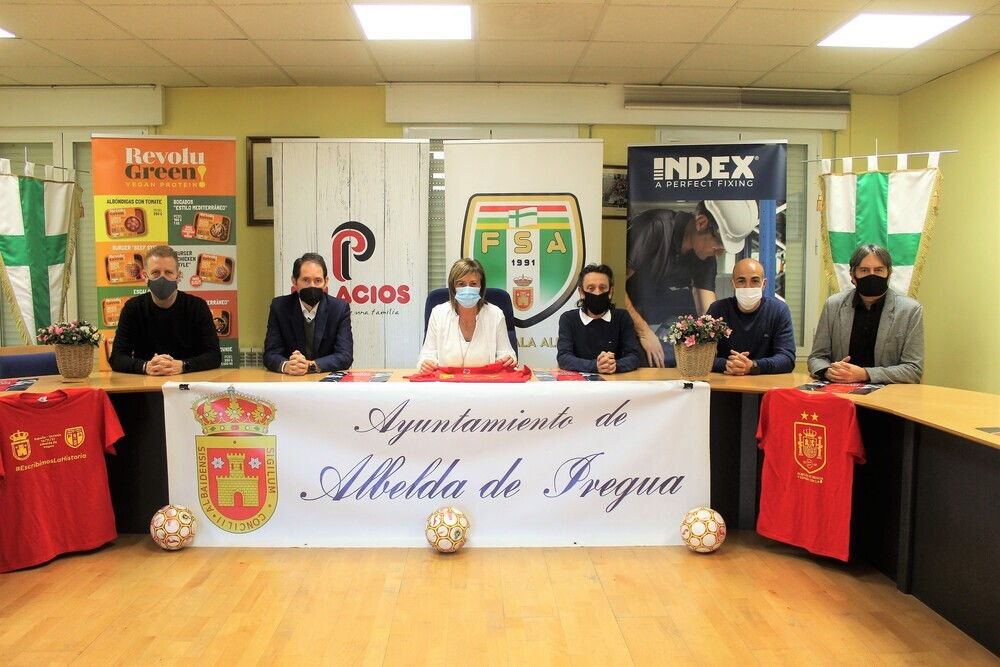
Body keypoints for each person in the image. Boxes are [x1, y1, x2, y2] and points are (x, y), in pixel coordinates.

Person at [625, 199, 757, 368]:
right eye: (719, 244)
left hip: (654, 314)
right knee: (645, 360)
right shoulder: (654, 227)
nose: (719, 254)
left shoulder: (704, 256)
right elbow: (615, 285)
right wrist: (644, 333)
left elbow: (707, 310)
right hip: (627, 315)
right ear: (701, 223)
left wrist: (721, 351)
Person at [808, 244, 924, 384]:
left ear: (889, 274)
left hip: (886, 397)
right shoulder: (833, 305)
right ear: (853, 275)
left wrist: (864, 374)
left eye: (879, 270)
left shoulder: (910, 310)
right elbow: (817, 358)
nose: (872, 275)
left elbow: (913, 370)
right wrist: (828, 371)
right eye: (864, 270)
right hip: (841, 393)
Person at [110, 245, 221, 375]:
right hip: (146, 385)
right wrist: (145, 366)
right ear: (145, 276)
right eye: (155, 273)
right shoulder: (133, 308)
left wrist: (183, 366)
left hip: (187, 384)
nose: (162, 278)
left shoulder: (197, 307)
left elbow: (214, 356)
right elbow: (116, 357)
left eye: (168, 273)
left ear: (178, 276)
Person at [419, 258, 516, 371]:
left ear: (481, 287)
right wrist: (426, 363)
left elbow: (506, 353)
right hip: (446, 384)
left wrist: (509, 359)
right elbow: (427, 354)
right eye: (461, 284)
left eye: (473, 284)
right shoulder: (438, 313)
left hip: (484, 384)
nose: (467, 289)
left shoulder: (495, 314)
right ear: (453, 287)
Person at [264, 252, 353, 375]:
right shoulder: (280, 307)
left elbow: (345, 356)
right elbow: (270, 354)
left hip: (327, 383)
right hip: (290, 382)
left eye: (317, 280)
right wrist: (286, 366)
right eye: (306, 280)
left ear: (326, 282)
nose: (312, 286)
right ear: (294, 281)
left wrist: (311, 366)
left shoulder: (339, 309)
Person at [706, 258, 796, 375]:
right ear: (733, 283)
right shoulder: (717, 310)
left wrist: (753, 366)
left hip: (764, 386)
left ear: (763, 284)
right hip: (726, 383)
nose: (748, 287)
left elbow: (787, 359)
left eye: (754, 281)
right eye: (741, 281)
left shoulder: (779, 310)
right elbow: (701, 356)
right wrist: (727, 364)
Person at [556, 264, 640, 374]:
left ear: (610, 292)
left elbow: (634, 356)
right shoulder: (568, 319)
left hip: (615, 384)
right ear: (581, 293)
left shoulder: (622, 317)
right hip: (579, 386)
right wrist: (595, 366)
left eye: (602, 288)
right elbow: (564, 358)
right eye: (591, 288)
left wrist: (614, 366)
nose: (597, 293)